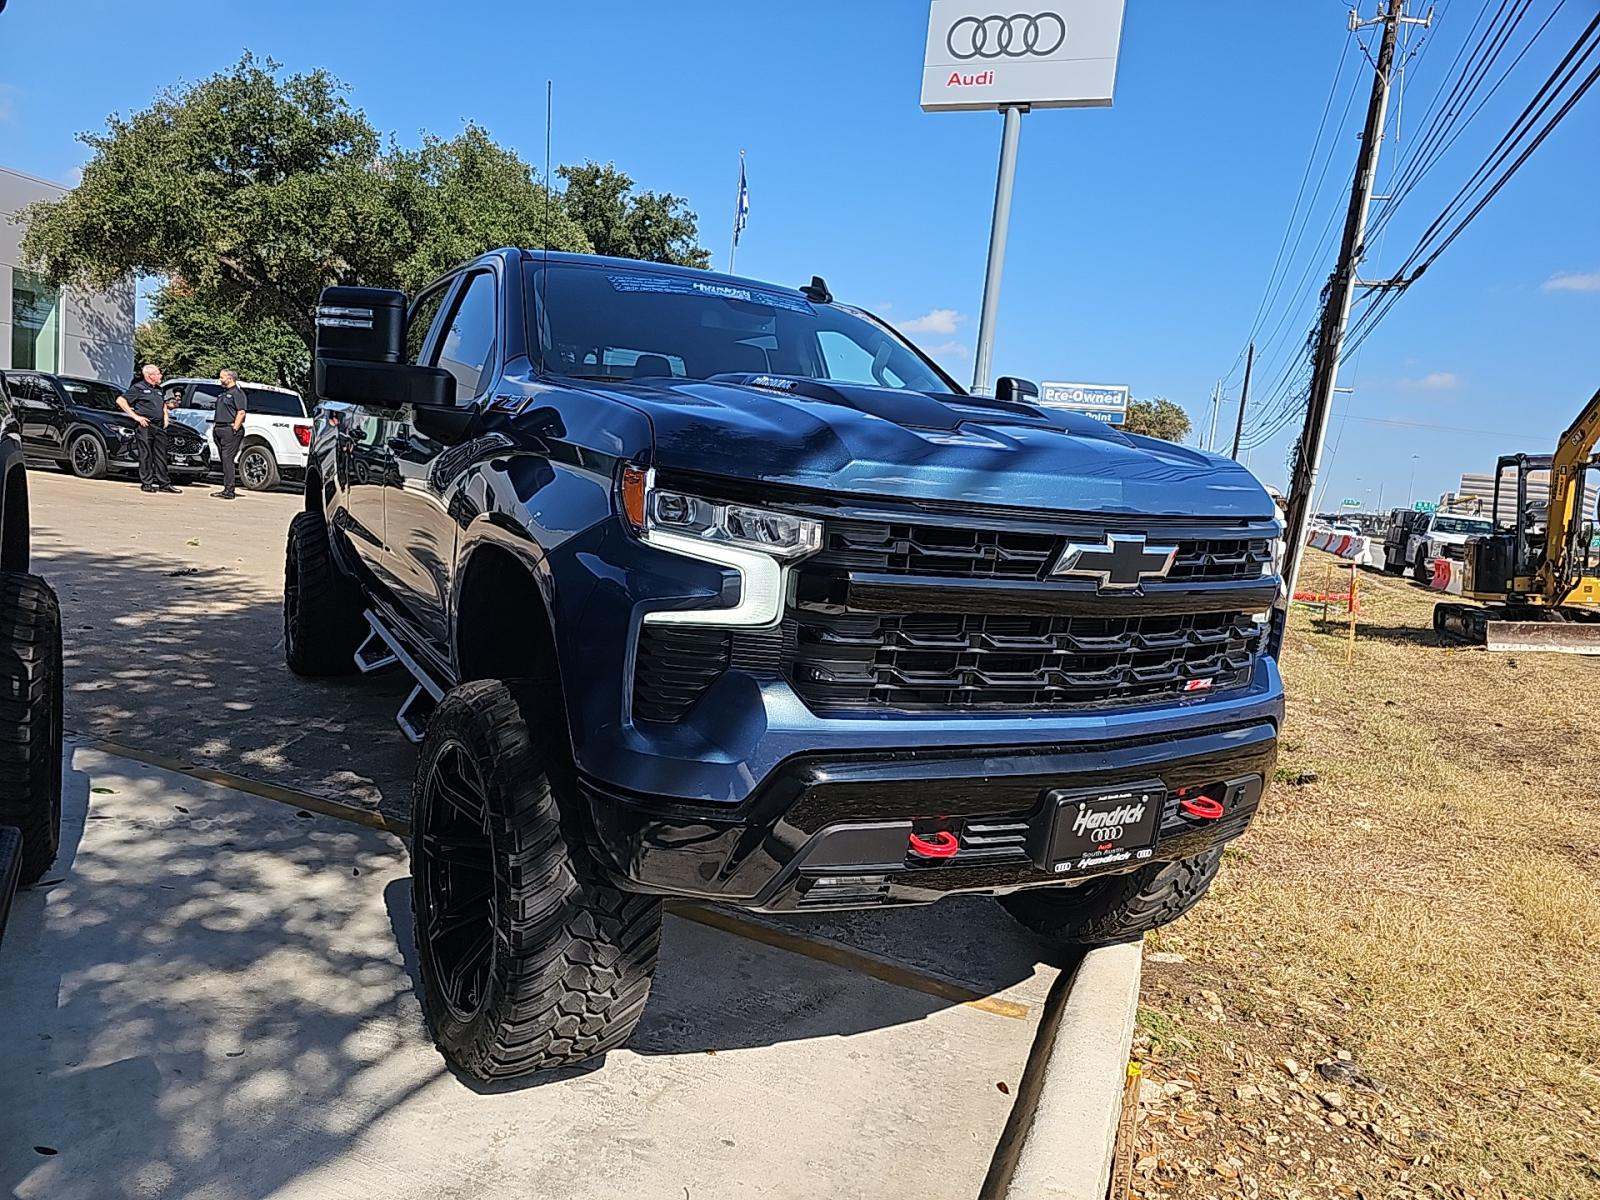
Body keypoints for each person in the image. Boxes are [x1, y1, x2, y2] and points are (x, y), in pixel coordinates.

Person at [116, 363, 176, 493]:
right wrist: (136, 417)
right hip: (145, 426)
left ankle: (164, 484)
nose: (161, 375)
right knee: (146, 454)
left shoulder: (159, 389)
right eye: (158, 373)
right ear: (150, 376)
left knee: (161, 455)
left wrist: (165, 416)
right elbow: (120, 401)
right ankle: (147, 483)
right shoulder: (138, 388)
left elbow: (163, 404)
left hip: (159, 427)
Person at [212, 369, 248, 500]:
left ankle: (229, 490)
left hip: (230, 430)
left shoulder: (237, 393)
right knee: (224, 460)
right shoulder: (223, 393)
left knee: (228, 459)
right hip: (219, 429)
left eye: (222, 377)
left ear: (230, 378)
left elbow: (241, 412)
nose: (220, 380)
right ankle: (226, 487)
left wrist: (235, 428)